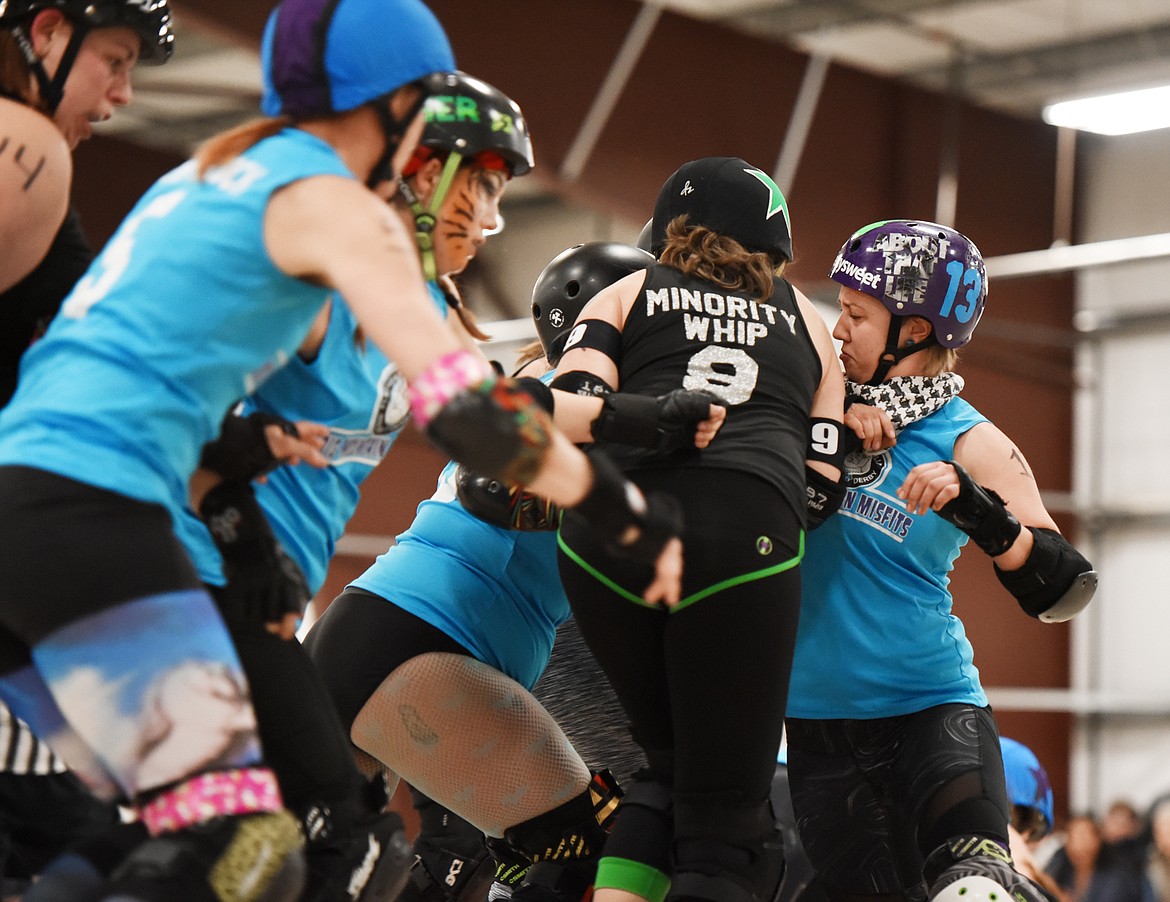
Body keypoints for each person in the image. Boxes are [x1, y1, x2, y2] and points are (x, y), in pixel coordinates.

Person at [0, 0, 681, 898]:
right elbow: (471, 415)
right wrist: (618, 508)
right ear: (404, 107)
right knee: (245, 848)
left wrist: (243, 521)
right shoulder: (334, 206)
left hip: (36, 517)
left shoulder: (210, 174)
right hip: (98, 520)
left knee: (96, 833)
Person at [171, 70, 540, 902]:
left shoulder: (419, 310)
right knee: (337, 847)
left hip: (255, 599)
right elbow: (185, 410)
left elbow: (514, 421)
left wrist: (639, 418)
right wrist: (241, 534)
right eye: (479, 183)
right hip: (200, 578)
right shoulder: (323, 286)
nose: (491, 217)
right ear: (419, 172)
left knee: (255, 852)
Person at [304, 239, 725, 902]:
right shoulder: (572, 399)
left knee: (327, 875)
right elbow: (492, 486)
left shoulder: (581, 404)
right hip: (419, 648)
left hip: (388, 641)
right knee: (607, 856)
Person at [553, 156, 846, 902]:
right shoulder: (809, 319)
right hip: (741, 536)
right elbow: (822, 488)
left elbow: (565, 415)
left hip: (604, 539)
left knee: (669, 771)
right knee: (727, 825)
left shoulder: (628, 288)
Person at [783, 219, 1099, 902]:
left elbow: (1065, 588)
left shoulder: (969, 439)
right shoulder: (810, 403)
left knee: (974, 888)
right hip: (814, 727)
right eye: (840, 310)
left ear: (916, 331)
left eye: (857, 315)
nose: (839, 330)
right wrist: (831, 419)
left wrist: (982, 515)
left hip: (929, 710)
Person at [0, 1, 172, 895]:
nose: (119, 96)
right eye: (115, 58)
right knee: (190, 814)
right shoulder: (24, 144)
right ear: (51, 31)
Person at [1046, 814, 1144, 902]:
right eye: (1073, 837)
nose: (1079, 845)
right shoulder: (1062, 870)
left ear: (1098, 840)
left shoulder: (1117, 878)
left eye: (1084, 836)